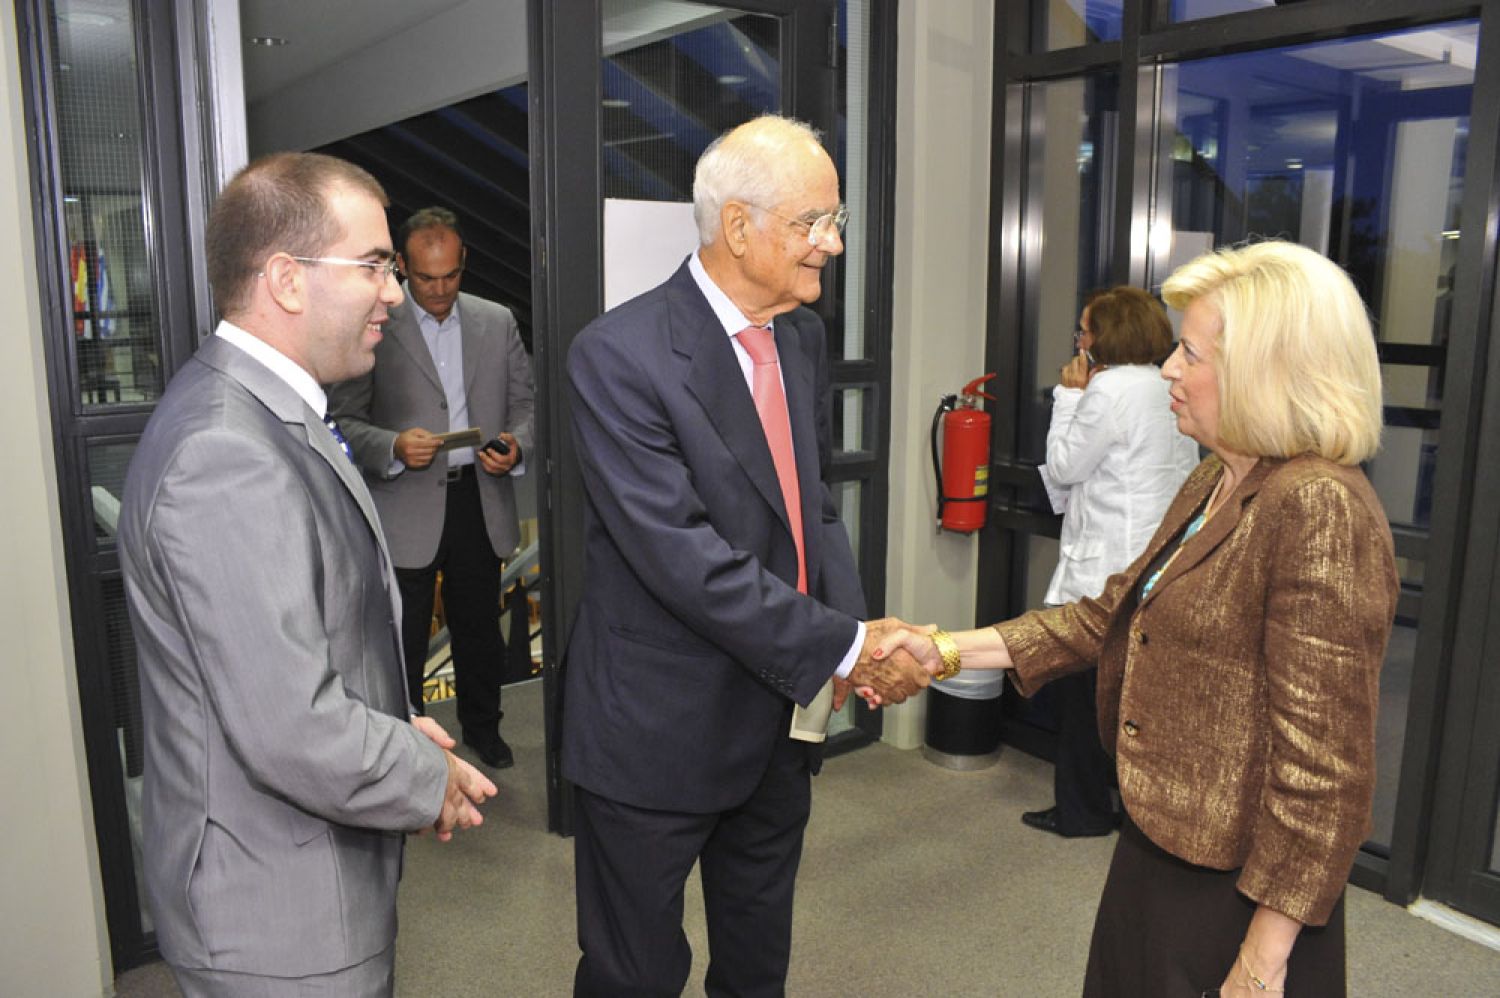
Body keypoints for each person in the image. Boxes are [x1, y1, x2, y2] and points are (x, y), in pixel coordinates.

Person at [876, 240, 1397, 996]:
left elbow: (1325, 773)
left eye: (1191, 353)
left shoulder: (1318, 506)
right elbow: (1106, 617)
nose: (1168, 370)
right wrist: (942, 649)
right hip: (1161, 844)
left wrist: (1261, 961)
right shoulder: (1216, 478)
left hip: (1239, 892)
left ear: (1266, 372)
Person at [563, 114, 932, 997]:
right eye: (814, 222)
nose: (832, 244)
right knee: (634, 975)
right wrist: (845, 645)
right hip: (655, 730)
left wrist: (848, 641)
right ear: (738, 226)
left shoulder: (799, 337)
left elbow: (812, 509)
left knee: (757, 965)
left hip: (777, 719)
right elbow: (683, 557)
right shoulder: (617, 355)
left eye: (835, 220)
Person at [117, 153, 497, 996]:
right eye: (374, 266)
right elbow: (288, 725)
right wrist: (426, 777)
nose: (394, 293)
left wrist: (395, 722)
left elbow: (295, 641)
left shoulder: (266, 412)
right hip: (277, 922)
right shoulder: (225, 451)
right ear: (287, 280)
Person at [330, 206, 535, 769]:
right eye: (426, 278)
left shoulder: (497, 320)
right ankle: (405, 746)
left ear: (464, 260)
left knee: (479, 631)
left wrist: (517, 446)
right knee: (403, 640)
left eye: (451, 275)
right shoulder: (373, 322)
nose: (440, 289)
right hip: (404, 505)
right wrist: (393, 445)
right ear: (401, 265)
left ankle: (483, 729)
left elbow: (526, 406)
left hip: (479, 498)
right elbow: (343, 421)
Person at [1025, 286, 1199, 838]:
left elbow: (1065, 466)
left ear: (1107, 335)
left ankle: (1081, 811)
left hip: (1104, 567)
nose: (1080, 341)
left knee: (1082, 693)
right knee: (1134, 697)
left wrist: (1068, 396)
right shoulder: (1170, 385)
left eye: (1085, 330)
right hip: (1157, 561)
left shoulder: (1109, 389)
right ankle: (1138, 810)